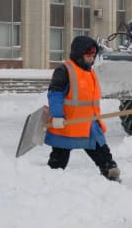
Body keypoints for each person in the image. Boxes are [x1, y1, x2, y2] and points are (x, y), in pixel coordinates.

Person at [44, 35, 120, 182]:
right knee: (59, 158)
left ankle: (110, 171)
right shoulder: (64, 71)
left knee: (101, 149)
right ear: (79, 55)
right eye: (88, 56)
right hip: (68, 124)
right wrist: (57, 115)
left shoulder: (89, 71)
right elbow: (55, 94)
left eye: (93, 56)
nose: (91, 60)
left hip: (89, 124)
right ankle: (50, 182)